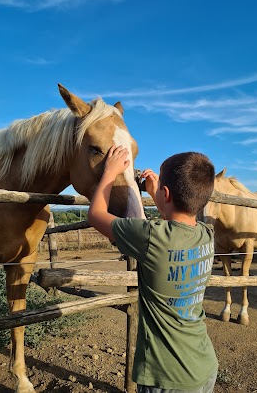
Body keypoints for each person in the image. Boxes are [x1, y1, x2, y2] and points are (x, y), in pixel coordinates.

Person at [88, 145, 218, 393]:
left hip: (165, 377)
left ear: (166, 194)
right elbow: (179, 226)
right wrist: (162, 196)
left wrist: (110, 172)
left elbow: (95, 215)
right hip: (204, 367)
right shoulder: (206, 234)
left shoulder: (150, 237)